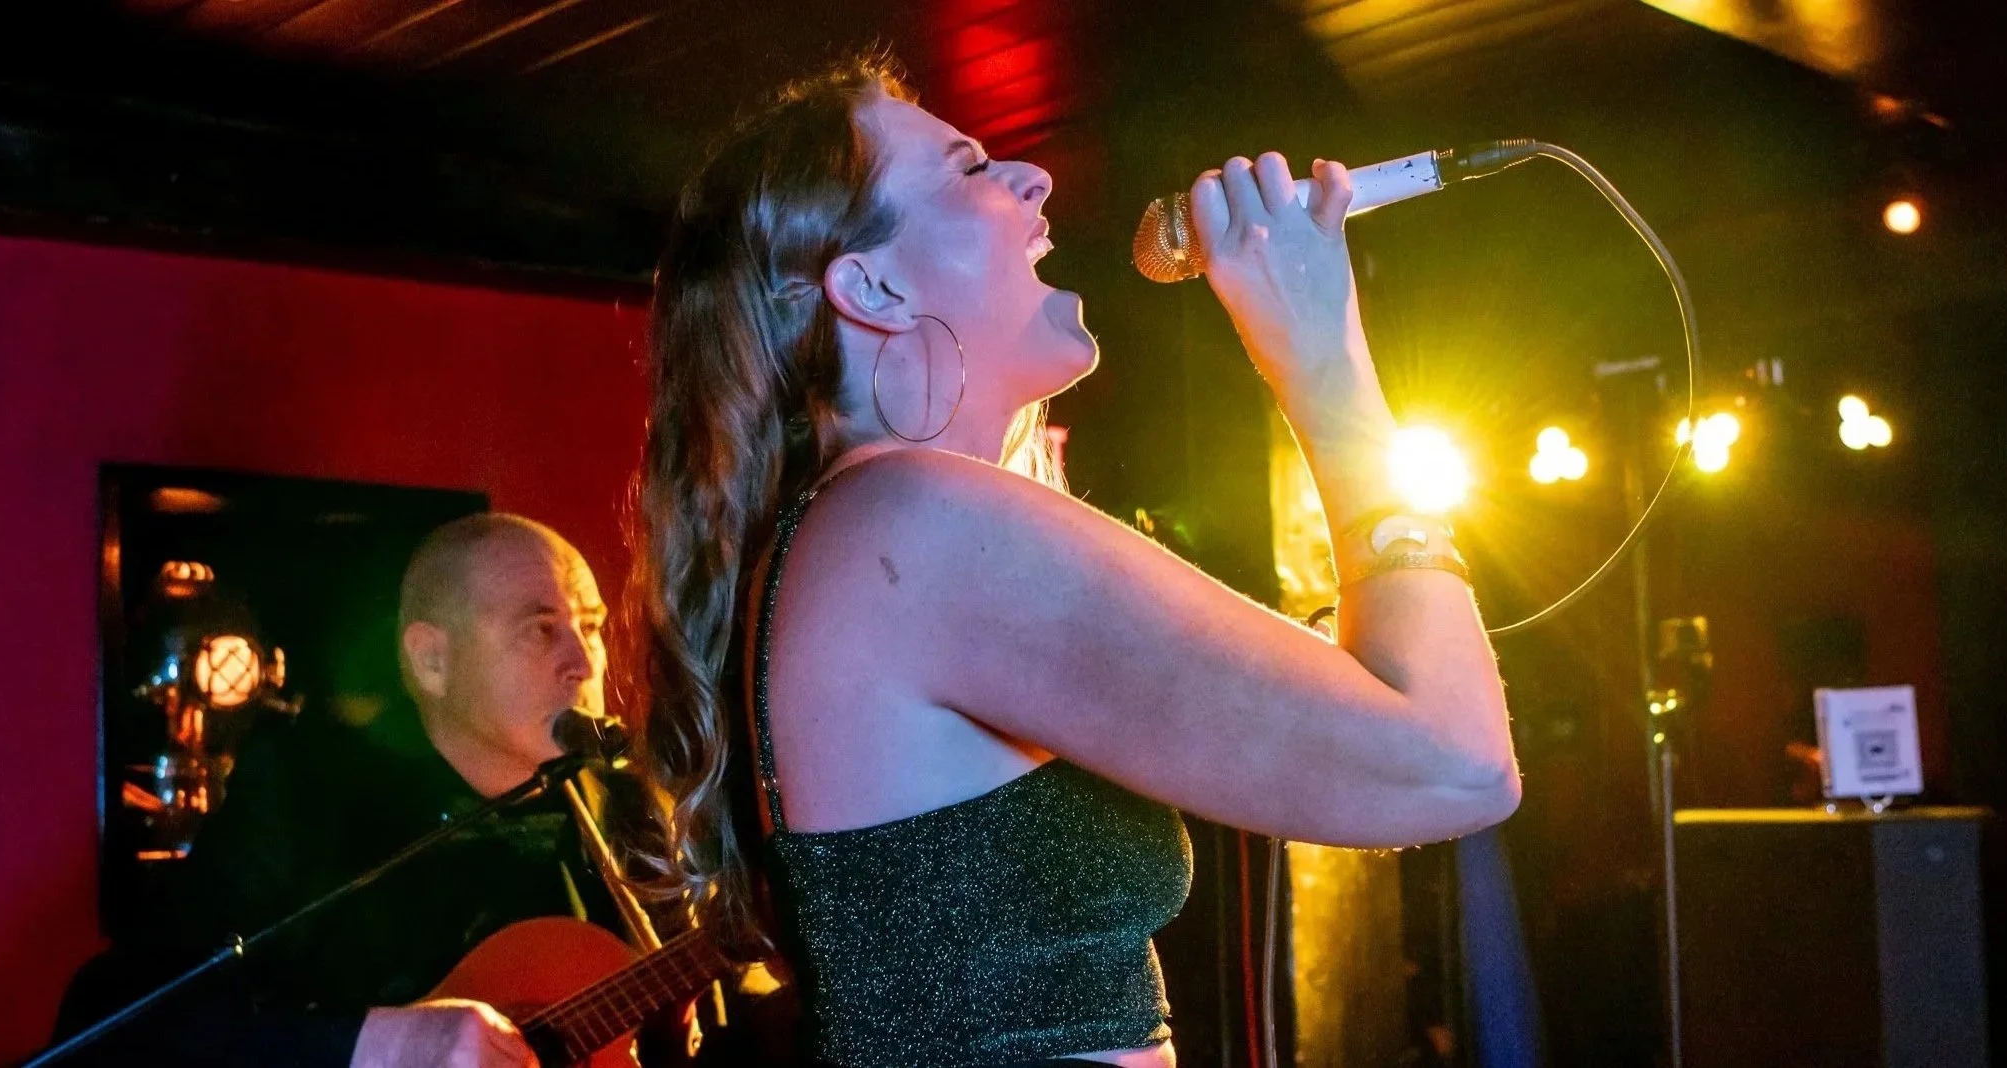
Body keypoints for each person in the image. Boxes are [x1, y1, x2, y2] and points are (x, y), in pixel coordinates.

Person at [626, 55, 1520, 1068]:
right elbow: (1454, 767)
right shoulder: (906, 523)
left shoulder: (876, 528)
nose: (1033, 177)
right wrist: (1324, 363)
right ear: (871, 285)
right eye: (968, 169)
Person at [52, 513, 654, 1068]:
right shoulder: (303, 797)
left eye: (591, 628)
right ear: (432, 660)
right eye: (540, 630)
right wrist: (372, 1042)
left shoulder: (629, 807)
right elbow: (115, 1018)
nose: (583, 663)